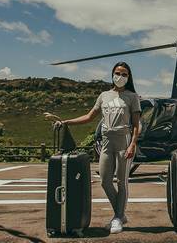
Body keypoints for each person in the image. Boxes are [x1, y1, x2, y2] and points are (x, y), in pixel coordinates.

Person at [57, 62, 141, 235]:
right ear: (112, 74)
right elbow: (89, 116)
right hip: (106, 141)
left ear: (129, 77)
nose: (120, 76)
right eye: (117, 73)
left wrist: (133, 144)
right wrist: (66, 122)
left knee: (121, 181)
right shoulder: (104, 95)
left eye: (124, 74)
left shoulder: (132, 97)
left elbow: (136, 124)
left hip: (123, 140)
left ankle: (118, 217)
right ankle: (121, 214)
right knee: (104, 180)